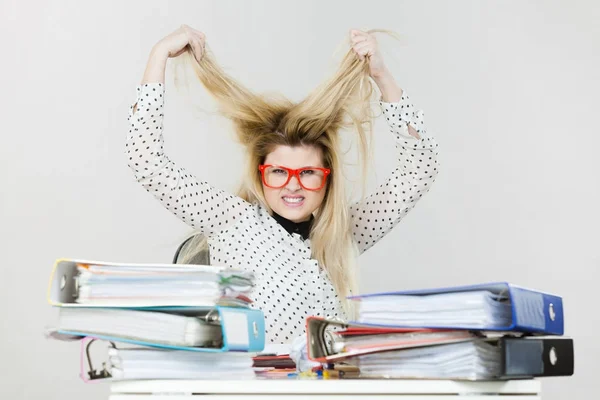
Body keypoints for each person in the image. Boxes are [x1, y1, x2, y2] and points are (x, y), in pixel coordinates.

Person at [126, 25, 439, 344]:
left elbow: (421, 168)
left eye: (307, 173)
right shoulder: (232, 221)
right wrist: (159, 54)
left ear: (327, 178)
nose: (293, 186)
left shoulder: (341, 234)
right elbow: (146, 161)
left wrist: (381, 76)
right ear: (261, 172)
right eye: (278, 172)